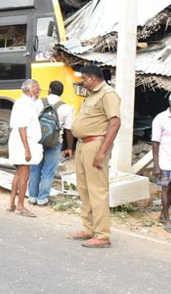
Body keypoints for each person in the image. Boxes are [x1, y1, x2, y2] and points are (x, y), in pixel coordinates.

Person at [68, 64, 121, 248]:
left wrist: (101, 152)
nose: (82, 82)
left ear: (92, 78)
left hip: (95, 145)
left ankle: (102, 235)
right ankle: (89, 228)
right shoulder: (91, 95)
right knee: (84, 189)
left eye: (84, 79)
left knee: (97, 191)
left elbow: (115, 123)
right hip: (83, 145)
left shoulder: (108, 94)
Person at [28, 80, 74, 206]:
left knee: (35, 169)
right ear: (61, 93)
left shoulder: (37, 103)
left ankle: (32, 197)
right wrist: (69, 147)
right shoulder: (66, 108)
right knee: (48, 171)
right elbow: (69, 130)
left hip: (37, 141)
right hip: (54, 142)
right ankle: (42, 199)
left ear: (49, 90)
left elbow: (30, 121)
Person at [7, 79, 42, 218]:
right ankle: (20, 206)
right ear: (31, 90)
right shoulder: (25, 104)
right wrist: (27, 149)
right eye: (37, 89)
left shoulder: (23, 102)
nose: (39, 91)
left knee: (18, 173)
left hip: (20, 141)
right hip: (23, 142)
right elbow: (22, 127)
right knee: (24, 174)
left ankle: (11, 203)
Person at [151, 93, 171, 230]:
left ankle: (163, 214)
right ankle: (166, 218)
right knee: (166, 188)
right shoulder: (161, 118)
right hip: (165, 160)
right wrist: (156, 165)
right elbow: (155, 143)